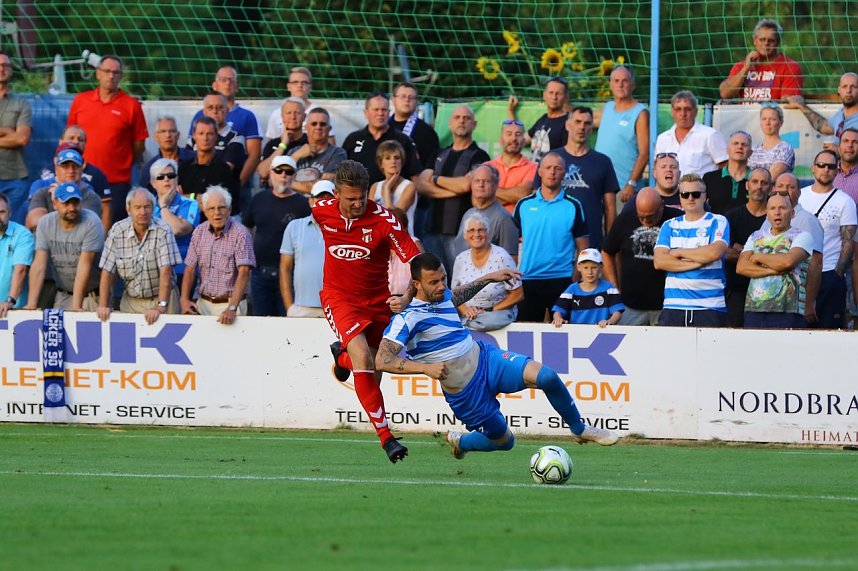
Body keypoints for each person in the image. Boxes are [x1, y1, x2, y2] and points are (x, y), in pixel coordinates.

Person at [375, 252, 619, 460]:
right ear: (416, 284)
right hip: (465, 393)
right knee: (505, 441)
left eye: (443, 279)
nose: (441, 286)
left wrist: (489, 277)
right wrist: (424, 369)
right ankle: (463, 442)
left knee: (547, 377)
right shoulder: (406, 319)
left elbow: (457, 294)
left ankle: (579, 428)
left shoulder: (444, 296)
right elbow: (382, 360)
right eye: (434, 282)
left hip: (486, 360)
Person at [314, 160, 421, 463]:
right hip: (339, 298)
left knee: (375, 367)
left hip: (378, 302)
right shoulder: (321, 212)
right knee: (364, 357)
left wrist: (410, 295)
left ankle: (342, 356)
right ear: (336, 194)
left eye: (362, 197)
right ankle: (387, 439)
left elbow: (417, 261)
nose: (357, 204)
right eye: (350, 199)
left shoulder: (385, 220)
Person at [67, 54, 148, 225]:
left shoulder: (131, 105)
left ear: (121, 76)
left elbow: (139, 144)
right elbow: (70, 139)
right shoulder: (81, 100)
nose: (111, 76)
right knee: (79, 226)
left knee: (113, 229)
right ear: (98, 73)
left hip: (116, 182)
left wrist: (121, 161)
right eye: (107, 71)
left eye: (116, 72)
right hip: (83, 179)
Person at [513, 152, 589, 322]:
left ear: (564, 173)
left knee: (565, 335)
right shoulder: (524, 205)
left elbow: (583, 248)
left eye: (557, 168)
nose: (552, 172)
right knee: (527, 335)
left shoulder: (573, 205)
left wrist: (573, 280)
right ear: (539, 171)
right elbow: (512, 246)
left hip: (562, 280)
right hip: (529, 280)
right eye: (548, 168)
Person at [415, 105, 491, 273]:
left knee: (459, 281)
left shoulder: (479, 156)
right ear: (450, 123)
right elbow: (421, 184)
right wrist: (453, 189)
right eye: (457, 117)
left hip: (460, 232)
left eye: (466, 118)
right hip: (432, 230)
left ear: (474, 124)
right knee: (434, 280)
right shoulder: (438, 153)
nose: (461, 121)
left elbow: (466, 185)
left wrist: (435, 179)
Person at [535, 106, 618, 249]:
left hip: (591, 243)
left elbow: (610, 208)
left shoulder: (603, 162)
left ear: (592, 128)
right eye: (577, 122)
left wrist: (610, 244)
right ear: (568, 125)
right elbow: (536, 199)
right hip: (553, 242)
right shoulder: (551, 159)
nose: (582, 127)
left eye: (587, 123)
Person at [96, 188, 182, 324]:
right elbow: (107, 271)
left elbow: (166, 271)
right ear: (128, 209)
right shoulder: (117, 231)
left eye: (147, 207)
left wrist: (161, 306)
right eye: (137, 207)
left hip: (163, 298)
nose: (143, 212)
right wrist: (103, 305)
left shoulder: (163, 230)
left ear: (153, 208)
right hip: (131, 301)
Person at [654, 174, 730, 327]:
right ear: (680, 198)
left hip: (710, 307)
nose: (690, 198)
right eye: (685, 194)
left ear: (704, 197)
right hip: (673, 307)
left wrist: (679, 252)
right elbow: (660, 262)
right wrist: (699, 261)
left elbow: (714, 253)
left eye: (696, 194)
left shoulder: (718, 220)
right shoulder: (669, 225)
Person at [242, 156, 311, 316]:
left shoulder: (302, 204)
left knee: (287, 320)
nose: (283, 175)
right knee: (260, 321)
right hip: (260, 273)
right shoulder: (259, 199)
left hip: (290, 274)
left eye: (288, 172)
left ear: (294, 176)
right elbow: (247, 227)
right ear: (271, 173)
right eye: (279, 171)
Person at [602, 187, 681, 326]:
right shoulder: (625, 219)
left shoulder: (677, 219)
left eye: (651, 216)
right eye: (641, 216)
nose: (645, 220)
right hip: (631, 304)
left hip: (668, 304)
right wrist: (615, 288)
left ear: (661, 206)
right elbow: (607, 252)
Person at [797, 150, 857, 328]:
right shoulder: (799, 196)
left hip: (829, 273)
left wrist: (836, 274)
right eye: (821, 165)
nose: (826, 169)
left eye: (831, 166)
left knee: (829, 331)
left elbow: (848, 243)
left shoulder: (845, 201)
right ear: (813, 168)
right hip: (799, 274)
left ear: (837, 171)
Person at [24, 182, 104, 311]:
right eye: (66, 203)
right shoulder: (46, 223)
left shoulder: (91, 221)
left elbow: (84, 265)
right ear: (55, 204)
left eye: (76, 202)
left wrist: (76, 306)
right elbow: (39, 264)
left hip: (91, 296)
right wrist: (31, 304)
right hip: (63, 293)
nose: (72, 208)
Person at [737, 193, 813, 329]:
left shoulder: (803, 236)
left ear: (793, 212)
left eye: (782, 208)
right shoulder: (755, 236)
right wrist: (774, 269)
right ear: (767, 213)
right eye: (772, 208)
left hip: (789, 310)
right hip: (754, 310)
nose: (777, 212)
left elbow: (787, 262)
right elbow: (742, 267)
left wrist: (758, 257)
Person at [181, 186, 255, 323]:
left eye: (221, 208)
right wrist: (184, 299)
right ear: (204, 210)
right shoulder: (199, 232)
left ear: (229, 209)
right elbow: (190, 268)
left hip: (231, 305)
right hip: (203, 304)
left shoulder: (241, 234)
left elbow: (244, 272)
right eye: (211, 208)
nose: (216, 213)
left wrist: (232, 307)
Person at [762, 173, 824, 327]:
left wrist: (809, 303)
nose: (785, 190)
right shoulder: (768, 219)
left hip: (795, 301)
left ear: (799, 192)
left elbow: (816, 263)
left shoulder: (807, 220)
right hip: (768, 298)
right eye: (781, 186)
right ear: (773, 189)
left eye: (791, 187)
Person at [188, 66, 261, 190]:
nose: (228, 83)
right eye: (223, 79)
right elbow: (190, 152)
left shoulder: (247, 116)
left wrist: (237, 185)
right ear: (214, 85)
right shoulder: (199, 116)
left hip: (233, 187)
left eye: (231, 80)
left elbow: (254, 155)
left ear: (237, 86)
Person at [451, 212, 522, 331]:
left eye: (481, 230)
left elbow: (518, 294)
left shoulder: (501, 256)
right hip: (469, 315)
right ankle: (471, 323)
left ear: (488, 233)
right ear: (465, 235)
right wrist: (467, 310)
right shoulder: (460, 259)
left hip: (496, 313)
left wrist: (490, 310)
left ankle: (471, 324)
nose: (476, 234)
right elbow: (454, 295)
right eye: (471, 230)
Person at [594, 65, 650, 203]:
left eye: (625, 81)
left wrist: (632, 183)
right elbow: (581, 122)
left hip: (623, 188)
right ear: (610, 84)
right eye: (616, 80)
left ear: (633, 84)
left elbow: (645, 153)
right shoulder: (607, 108)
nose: (620, 84)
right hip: (600, 185)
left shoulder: (640, 112)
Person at [723, 168, 771, 327]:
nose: (759, 186)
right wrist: (761, 255)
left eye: (764, 183)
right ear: (747, 185)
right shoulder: (732, 216)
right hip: (737, 290)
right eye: (755, 182)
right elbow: (725, 253)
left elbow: (779, 254)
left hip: (768, 291)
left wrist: (742, 251)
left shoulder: (775, 219)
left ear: (770, 187)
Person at [279, 180, 334, 318]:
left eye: (329, 198)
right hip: (301, 308)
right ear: (311, 201)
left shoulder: (346, 230)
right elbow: (285, 269)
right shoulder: (294, 227)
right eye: (320, 197)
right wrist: (289, 307)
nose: (324, 202)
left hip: (335, 308)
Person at [341, 92, 421, 184]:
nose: (380, 113)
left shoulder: (403, 140)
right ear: (366, 113)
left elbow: (415, 177)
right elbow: (342, 174)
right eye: (376, 109)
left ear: (389, 112)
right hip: (359, 196)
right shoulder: (353, 139)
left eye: (384, 110)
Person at [719, 18, 803, 101]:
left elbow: (789, 103)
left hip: (773, 114)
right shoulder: (741, 66)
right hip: (745, 114)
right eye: (762, 39)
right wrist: (746, 68)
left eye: (771, 40)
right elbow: (725, 94)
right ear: (754, 41)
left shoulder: (790, 67)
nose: (766, 43)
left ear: (778, 42)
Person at [27, 147, 108, 232]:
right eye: (65, 166)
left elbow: (87, 226)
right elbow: (35, 222)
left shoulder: (90, 196)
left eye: (75, 166)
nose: (71, 170)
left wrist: (59, 204)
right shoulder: (43, 193)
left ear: (81, 169)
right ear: (56, 169)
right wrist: (59, 203)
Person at [452, 164, 519, 261]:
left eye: (486, 181)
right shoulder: (468, 214)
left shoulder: (504, 218)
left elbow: (511, 261)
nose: (480, 185)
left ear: (496, 185)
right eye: (477, 181)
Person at [150, 158, 199, 287]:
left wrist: (163, 206)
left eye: (170, 176)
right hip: (153, 270)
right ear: (153, 183)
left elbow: (178, 230)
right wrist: (174, 221)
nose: (166, 179)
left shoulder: (191, 204)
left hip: (182, 271)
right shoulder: (147, 206)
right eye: (160, 177)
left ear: (176, 179)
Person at [655, 91, 728, 177]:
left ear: (695, 111)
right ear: (672, 112)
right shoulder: (663, 138)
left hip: (702, 189)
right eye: (678, 109)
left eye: (688, 109)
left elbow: (725, 166)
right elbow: (657, 168)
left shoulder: (710, 135)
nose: (683, 114)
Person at [178, 117, 240, 215]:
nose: (205, 138)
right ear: (194, 136)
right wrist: (195, 197)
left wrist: (187, 197)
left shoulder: (223, 169)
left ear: (216, 136)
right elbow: (176, 198)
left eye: (210, 134)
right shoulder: (184, 167)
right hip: (185, 220)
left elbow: (212, 203)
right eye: (201, 133)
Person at [37, 126, 111, 204]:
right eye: (71, 138)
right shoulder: (46, 174)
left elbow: (105, 207)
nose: (76, 142)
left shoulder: (95, 177)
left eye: (80, 140)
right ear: (61, 142)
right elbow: (34, 210)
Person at [0, 51, 33, 226]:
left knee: (13, 228)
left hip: (14, 177)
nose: (1, 69)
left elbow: (22, 139)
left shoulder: (21, 104)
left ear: (11, 70)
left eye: (5, 65)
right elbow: (16, 136)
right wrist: (7, 131)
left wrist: (13, 134)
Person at [551, 249, 623, 328]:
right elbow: (558, 310)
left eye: (594, 267)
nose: (590, 272)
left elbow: (617, 312)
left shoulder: (609, 288)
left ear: (601, 267)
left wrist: (610, 322)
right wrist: (558, 318)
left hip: (602, 332)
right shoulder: (572, 289)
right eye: (585, 268)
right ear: (578, 267)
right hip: (577, 334)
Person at [265, 67, 337, 143]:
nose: (300, 85)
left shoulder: (320, 113)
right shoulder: (276, 114)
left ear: (310, 87)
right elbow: (271, 144)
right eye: (295, 82)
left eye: (304, 82)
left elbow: (331, 144)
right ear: (288, 86)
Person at [284, 108, 346, 195]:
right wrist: (296, 156)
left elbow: (324, 188)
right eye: (314, 124)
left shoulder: (337, 153)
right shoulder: (294, 151)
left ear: (329, 128)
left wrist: (287, 182)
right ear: (306, 128)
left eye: (322, 124)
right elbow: (274, 179)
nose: (318, 127)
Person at [507, 77, 569, 162]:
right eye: (551, 93)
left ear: (566, 97)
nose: (554, 97)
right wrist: (511, 111)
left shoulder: (569, 123)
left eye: (559, 94)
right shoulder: (543, 119)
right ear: (544, 95)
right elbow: (520, 140)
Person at [788, 72, 858, 146]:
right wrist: (801, 106)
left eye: (853, 87)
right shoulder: (840, 114)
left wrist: (838, 149)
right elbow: (824, 127)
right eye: (844, 86)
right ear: (839, 90)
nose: (848, 91)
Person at [485, 119, 537, 213]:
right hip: (487, 224)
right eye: (509, 134)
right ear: (500, 139)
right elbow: (477, 199)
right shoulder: (486, 167)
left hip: (516, 225)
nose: (513, 138)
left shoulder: (533, 168)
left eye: (518, 134)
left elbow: (522, 194)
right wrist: (512, 195)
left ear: (524, 140)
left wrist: (489, 191)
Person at [192, 91, 247, 177]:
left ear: (227, 110)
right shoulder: (193, 138)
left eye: (220, 107)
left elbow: (224, 170)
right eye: (210, 107)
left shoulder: (236, 138)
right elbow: (185, 165)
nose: (215, 111)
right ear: (204, 112)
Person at [390, 82, 440, 169]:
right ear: (393, 99)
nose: (407, 100)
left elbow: (430, 166)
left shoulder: (427, 132)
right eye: (403, 96)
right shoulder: (383, 127)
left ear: (416, 101)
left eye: (411, 97)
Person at [258, 97, 308, 185]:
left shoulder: (309, 143)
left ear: (304, 117)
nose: (293, 117)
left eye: (297, 113)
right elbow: (263, 173)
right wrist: (283, 145)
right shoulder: (273, 144)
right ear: (282, 116)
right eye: (289, 113)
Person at [0, 193, 34, 317]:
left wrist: (10, 301)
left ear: (10, 212)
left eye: (1, 212)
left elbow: (21, 270)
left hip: (13, 310)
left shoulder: (22, 234)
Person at [139, 116, 195, 191]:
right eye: (163, 131)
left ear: (178, 135)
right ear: (156, 136)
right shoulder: (150, 168)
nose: (168, 135)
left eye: (172, 131)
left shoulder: (193, 159)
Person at [703, 130, 752, 215]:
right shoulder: (709, 178)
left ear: (751, 152)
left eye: (744, 144)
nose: (740, 147)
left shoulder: (756, 181)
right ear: (727, 150)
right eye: (735, 143)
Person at [372, 140, 417, 233]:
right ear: (381, 163)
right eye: (388, 158)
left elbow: (394, 220)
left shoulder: (409, 186)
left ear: (402, 161)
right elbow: (370, 218)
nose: (393, 161)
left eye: (397, 158)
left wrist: (387, 189)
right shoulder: (375, 187)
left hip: (403, 239)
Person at [748, 104, 795, 180]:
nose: (767, 123)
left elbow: (771, 177)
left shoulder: (785, 148)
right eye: (764, 119)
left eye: (772, 119)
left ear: (781, 122)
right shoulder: (754, 149)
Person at [834, 128, 858, 204]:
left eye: (855, 142)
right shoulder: (827, 172)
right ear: (839, 148)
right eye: (846, 141)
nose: (850, 145)